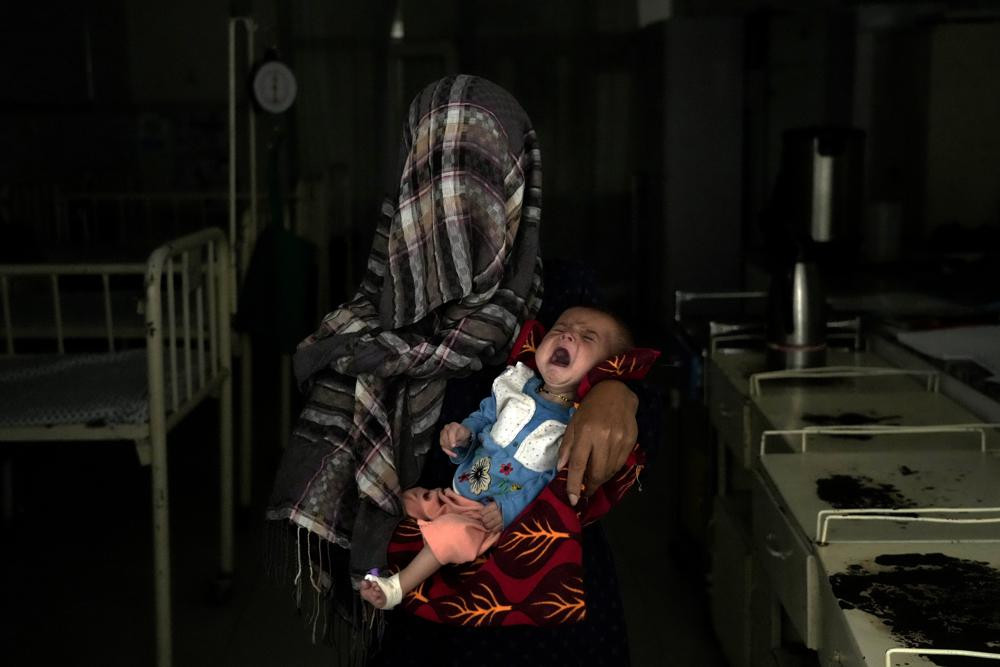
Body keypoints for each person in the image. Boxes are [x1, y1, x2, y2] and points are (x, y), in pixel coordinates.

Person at [266, 74, 646, 665]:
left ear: (519, 188)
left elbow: (632, 401)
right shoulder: (370, 328)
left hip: (550, 621)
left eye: (483, 177)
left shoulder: (565, 298)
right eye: (438, 177)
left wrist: (619, 389)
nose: (460, 203)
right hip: (430, 622)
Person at [360, 306, 634, 609]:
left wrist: (509, 509)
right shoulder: (514, 385)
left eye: (587, 337)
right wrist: (461, 436)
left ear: (604, 369)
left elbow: (550, 481)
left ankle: (396, 588)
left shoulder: (575, 424)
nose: (568, 334)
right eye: (559, 329)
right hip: (457, 493)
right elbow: (482, 421)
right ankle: (371, 568)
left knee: (451, 534)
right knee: (403, 502)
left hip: (489, 518)